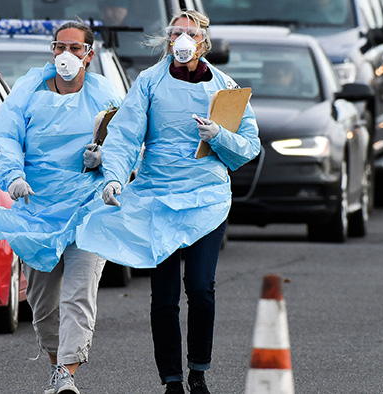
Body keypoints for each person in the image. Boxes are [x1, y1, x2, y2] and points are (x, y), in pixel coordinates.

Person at [0, 20, 121, 394]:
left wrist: (107, 164)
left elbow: (125, 141)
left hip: (86, 211)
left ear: (89, 54)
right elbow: (6, 137)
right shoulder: (29, 93)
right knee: (43, 301)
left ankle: (68, 374)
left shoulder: (104, 96)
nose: (65, 55)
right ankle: (55, 363)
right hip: (36, 211)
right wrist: (13, 176)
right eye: (58, 46)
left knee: (79, 294)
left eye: (74, 48)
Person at [76, 10, 260, 394]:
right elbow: (126, 135)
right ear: (167, 39)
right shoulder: (148, 83)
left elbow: (248, 147)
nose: (182, 39)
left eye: (189, 33)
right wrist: (113, 177)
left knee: (201, 287)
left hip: (206, 199)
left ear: (203, 41)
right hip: (157, 198)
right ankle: (172, 380)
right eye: (176, 32)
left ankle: (198, 371)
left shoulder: (225, 89)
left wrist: (219, 136)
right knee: (164, 296)